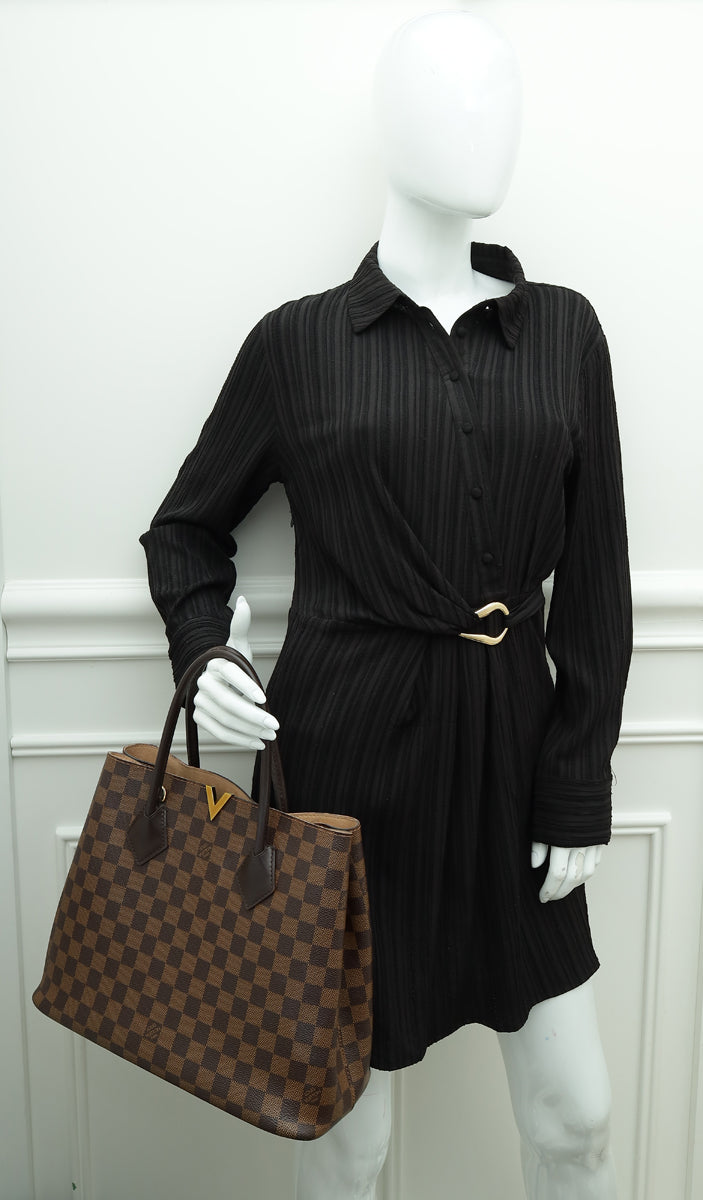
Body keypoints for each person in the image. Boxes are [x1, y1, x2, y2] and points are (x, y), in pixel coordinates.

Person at [139, 12, 632, 1198]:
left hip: (513, 758)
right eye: (453, 94)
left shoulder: (563, 332)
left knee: (577, 1114)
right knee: (346, 1133)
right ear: (388, 120)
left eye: (503, 94)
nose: (487, 122)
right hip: (343, 766)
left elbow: (597, 578)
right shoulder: (298, 344)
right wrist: (205, 651)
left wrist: (577, 777)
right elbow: (185, 529)